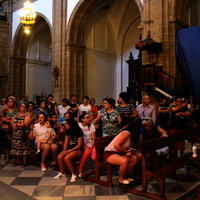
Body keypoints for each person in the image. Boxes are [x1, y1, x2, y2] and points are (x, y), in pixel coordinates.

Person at [54, 118, 83, 182]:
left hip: (77, 149)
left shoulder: (78, 131)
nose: (65, 125)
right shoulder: (67, 131)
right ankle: (62, 172)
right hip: (69, 148)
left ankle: (74, 174)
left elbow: (79, 145)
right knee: (59, 156)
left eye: (66, 124)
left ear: (70, 124)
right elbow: (66, 142)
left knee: (67, 158)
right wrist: (64, 149)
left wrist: (70, 150)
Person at [11, 102, 32, 168]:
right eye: (20, 106)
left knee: (24, 147)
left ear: (26, 108)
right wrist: (13, 125)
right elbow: (12, 121)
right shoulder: (17, 114)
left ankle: (24, 161)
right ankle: (17, 161)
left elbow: (25, 123)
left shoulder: (27, 115)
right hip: (16, 134)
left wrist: (17, 125)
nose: (21, 108)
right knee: (16, 147)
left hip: (23, 134)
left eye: (23, 107)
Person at [78, 113, 96, 177]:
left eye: (89, 117)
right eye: (87, 117)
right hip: (83, 143)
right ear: (82, 119)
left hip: (91, 143)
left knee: (94, 157)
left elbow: (93, 138)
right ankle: (80, 170)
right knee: (87, 152)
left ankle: (96, 168)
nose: (89, 119)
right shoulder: (79, 125)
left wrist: (92, 146)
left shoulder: (91, 125)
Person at [0, 96, 17, 163]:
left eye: (11, 102)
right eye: (8, 102)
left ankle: (14, 156)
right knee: (6, 143)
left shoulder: (16, 110)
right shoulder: (5, 110)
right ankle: (7, 156)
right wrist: (10, 120)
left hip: (13, 127)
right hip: (5, 127)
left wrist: (9, 118)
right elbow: (3, 118)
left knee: (13, 143)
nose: (9, 103)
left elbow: (16, 118)